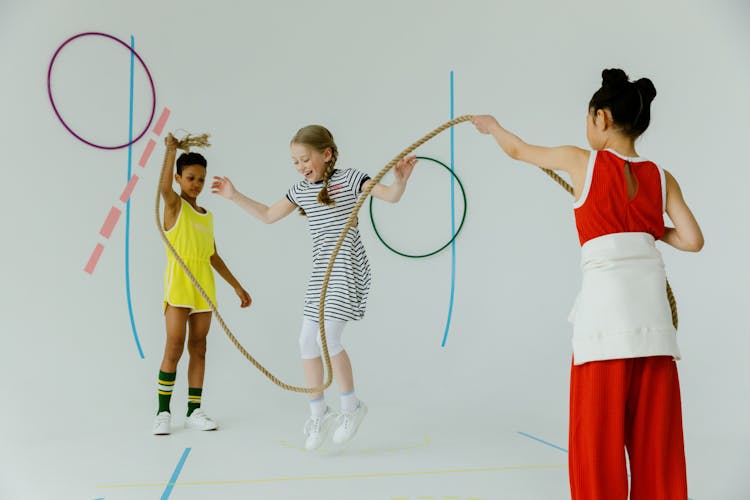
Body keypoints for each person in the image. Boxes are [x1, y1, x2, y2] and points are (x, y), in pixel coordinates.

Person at [472, 68, 703, 499]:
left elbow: (519, 151)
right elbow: (692, 240)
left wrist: (493, 127)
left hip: (604, 326)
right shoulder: (660, 175)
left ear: (601, 118)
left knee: (596, 444)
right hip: (653, 326)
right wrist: (650, 230)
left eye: (587, 118)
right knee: (657, 444)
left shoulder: (582, 161)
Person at [211, 124, 417, 450]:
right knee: (306, 341)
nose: (300, 166)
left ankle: (352, 407)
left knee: (329, 337)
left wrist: (401, 180)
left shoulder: (350, 179)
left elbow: (389, 196)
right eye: (294, 161)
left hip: (346, 268)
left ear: (326, 154)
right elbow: (266, 215)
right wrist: (233, 195)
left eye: (305, 159)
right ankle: (318, 413)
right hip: (321, 272)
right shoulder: (301, 190)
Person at [153, 133, 252, 435]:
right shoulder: (174, 207)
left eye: (200, 179)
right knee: (174, 347)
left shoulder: (206, 217)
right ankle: (162, 412)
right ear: (179, 178)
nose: (195, 184)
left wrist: (237, 286)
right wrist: (170, 150)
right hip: (179, 288)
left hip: (203, 289)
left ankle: (194, 410)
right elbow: (162, 189)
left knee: (199, 347)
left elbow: (213, 256)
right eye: (191, 178)